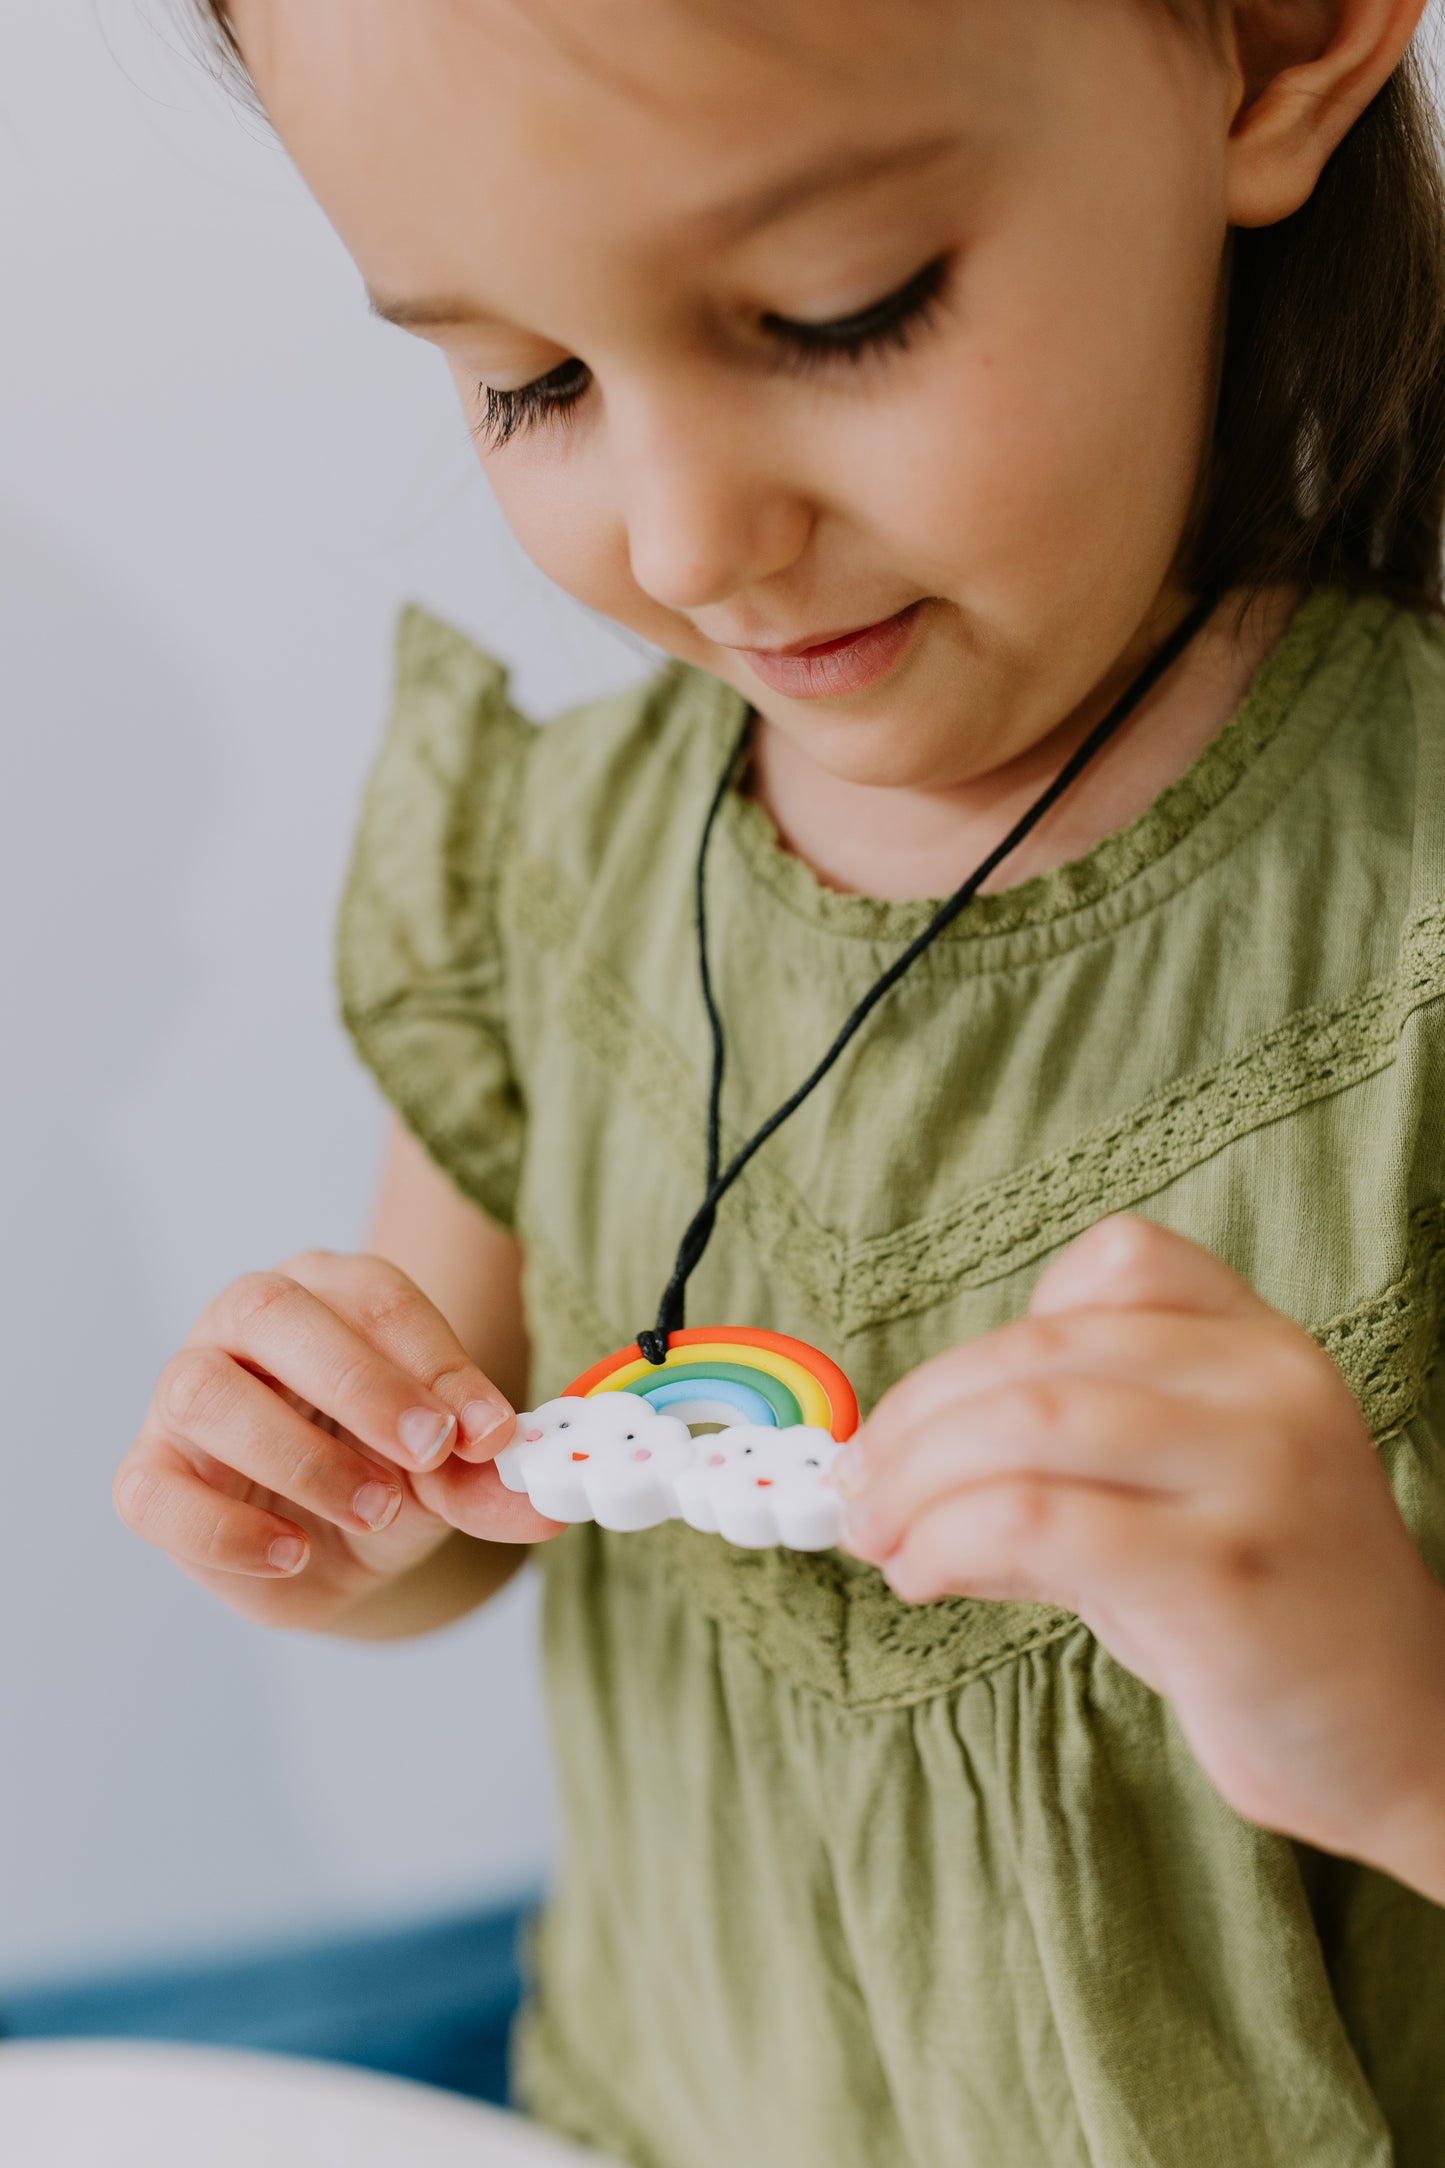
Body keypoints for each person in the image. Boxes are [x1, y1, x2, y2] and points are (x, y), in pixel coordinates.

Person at [114, 1, 1445, 2160]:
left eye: (837, 315)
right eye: (525, 382)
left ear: (1282, 44)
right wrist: (320, 1493)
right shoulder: (547, 873)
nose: (689, 537)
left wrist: (1393, 1719)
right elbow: (467, 1509)